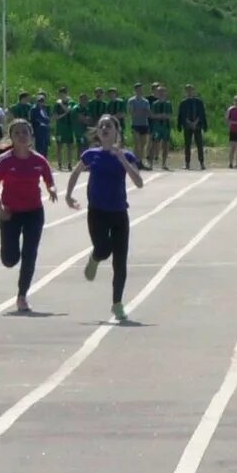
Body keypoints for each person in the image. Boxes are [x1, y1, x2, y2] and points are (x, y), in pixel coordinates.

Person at [68, 118, 147, 323]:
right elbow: (76, 172)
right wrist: (68, 195)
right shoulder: (90, 155)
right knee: (103, 249)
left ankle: (117, 304)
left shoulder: (126, 155)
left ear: (116, 132)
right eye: (101, 126)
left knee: (120, 261)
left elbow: (138, 183)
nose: (104, 129)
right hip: (97, 212)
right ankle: (95, 258)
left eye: (109, 126)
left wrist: (122, 159)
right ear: (98, 132)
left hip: (119, 212)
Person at [0, 118, 57, 313]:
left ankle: (22, 295)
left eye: (25, 132)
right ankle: (10, 255)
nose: (21, 136)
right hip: (10, 213)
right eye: (17, 133)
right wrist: (0, 209)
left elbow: (49, 180)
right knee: (9, 259)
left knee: (30, 254)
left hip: (34, 212)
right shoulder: (5, 161)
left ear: (31, 136)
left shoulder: (39, 160)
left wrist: (52, 189)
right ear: (12, 138)